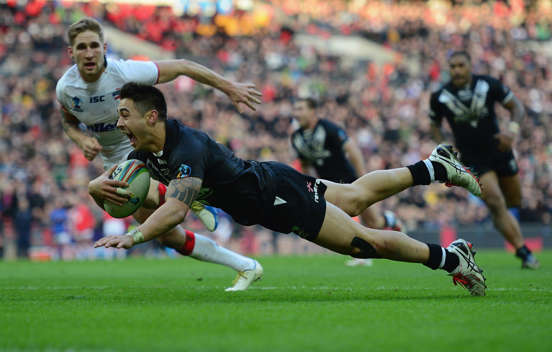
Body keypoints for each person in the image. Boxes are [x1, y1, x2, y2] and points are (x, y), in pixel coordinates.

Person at [94, 83, 487, 296]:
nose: (119, 124)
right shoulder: (146, 150)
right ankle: (435, 166)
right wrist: (97, 185)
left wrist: (135, 235)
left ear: (151, 116)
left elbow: (175, 210)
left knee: (363, 244)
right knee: (353, 198)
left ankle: (452, 259)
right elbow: (117, 187)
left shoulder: (185, 147)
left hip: (276, 199)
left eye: (124, 115)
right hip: (273, 182)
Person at [56, 17, 264, 291]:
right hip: (115, 161)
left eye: (94, 45)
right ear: (71, 52)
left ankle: (185, 196)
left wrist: (229, 87)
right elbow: (68, 121)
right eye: (81, 47)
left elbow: (183, 66)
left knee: (159, 206)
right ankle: (244, 265)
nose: (89, 53)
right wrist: (81, 138)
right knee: (166, 236)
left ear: (105, 47)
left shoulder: (125, 73)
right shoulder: (66, 89)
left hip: (147, 148)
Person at [429, 51, 539, 269]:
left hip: (499, 149)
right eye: (453, 66)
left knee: (514, 201)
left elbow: (516, 107)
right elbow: (434, 124)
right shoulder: (440, 96)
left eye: (461, 65)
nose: (457, 70)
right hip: (473, 158)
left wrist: (512, 131)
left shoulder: (488, 85)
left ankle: (511, 232)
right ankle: (523, 251)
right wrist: (444, 147)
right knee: (495, 202)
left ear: (470, 66)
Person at [291, 98, 403, 266]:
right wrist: (309, 184)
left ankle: (389, 221)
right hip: (329, 185)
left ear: (312, 111)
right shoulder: (297, 138)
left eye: (301, 109)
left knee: (374, 222)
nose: (297, 113)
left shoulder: (328, 128)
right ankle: (362, 255)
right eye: (296, 109)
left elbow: (352, 149)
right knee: (345, 218)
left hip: (350, 180)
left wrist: (362, 176)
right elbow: (305, 164)